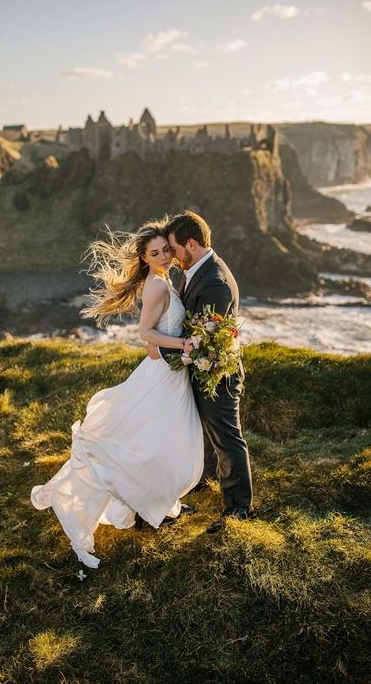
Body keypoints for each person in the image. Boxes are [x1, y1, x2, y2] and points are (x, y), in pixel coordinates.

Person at [31, 222, 204, 568]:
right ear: (144, 257)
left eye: (166, 250)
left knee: (161, 440)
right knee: (153, 441)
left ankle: (156, 505)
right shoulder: (156, 285)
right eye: (154, 253)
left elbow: (153, 334)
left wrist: (172, 343)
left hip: (170, 372)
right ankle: (146, 508)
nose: (163, 256)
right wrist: (183, 343)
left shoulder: (168, 279)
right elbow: (146, 332)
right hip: (164, 374)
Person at [147, 211, 255, 533]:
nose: (171, 256)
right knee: (205, 432)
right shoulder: (198, 268)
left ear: (190, 243)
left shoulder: (215, 283)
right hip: (202, 368)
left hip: (218, 374)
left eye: (174, 249)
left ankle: (239, 508)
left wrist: (161, 346)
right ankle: (205, 481)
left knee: (226, 438)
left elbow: (204, 340)